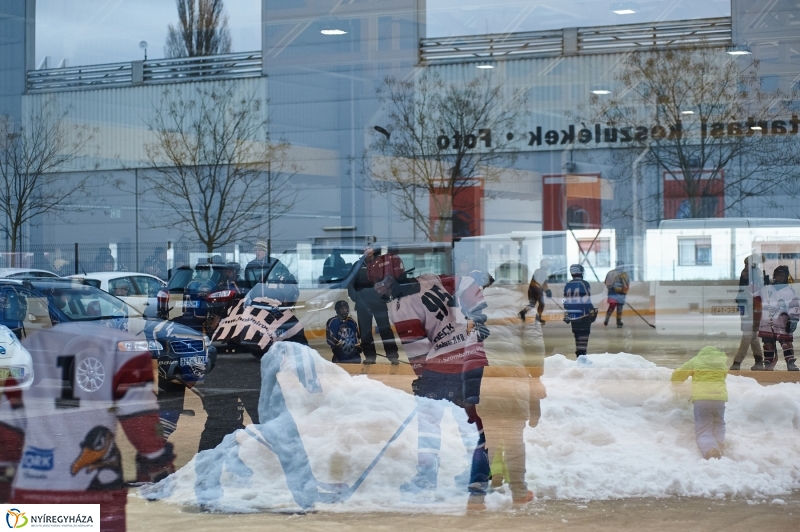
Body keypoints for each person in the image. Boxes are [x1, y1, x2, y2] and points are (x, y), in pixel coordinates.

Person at [0, 324, 175, 530]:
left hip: (33, 492)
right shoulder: (123, 351)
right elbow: (141, 422)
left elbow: (7, 436)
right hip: (95, 496)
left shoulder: (31, 349)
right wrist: (158, 464)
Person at [367, 252, 490, 504]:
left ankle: (426, 476)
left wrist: (422, 378)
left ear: (392, 278)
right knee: (467, 414)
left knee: (428, 419)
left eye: (380, 282)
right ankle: (478, 472)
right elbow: (467, 283)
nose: (377, 288)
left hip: (444, 362)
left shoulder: (399, 308)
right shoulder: (430, 279)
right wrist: (478, 316)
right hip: (473, 351)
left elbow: (418, 352)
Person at [479, 261, 546, 506]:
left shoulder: (478, 301)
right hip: (511, 376)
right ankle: (519, 491)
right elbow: (534, 345)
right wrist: (536, 375)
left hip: (482, 377)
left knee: (489, 434)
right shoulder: (523, 306)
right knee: (514, 436)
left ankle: (480, 490)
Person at [671, 346, 729, 459]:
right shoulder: (722, 362)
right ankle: (719, 445)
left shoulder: (696, 360)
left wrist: (674, 377)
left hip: (702, 399)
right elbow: (724, 375)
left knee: (703, 429)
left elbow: (680, 375)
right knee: (719, 423)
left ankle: (710, 450)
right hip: (719, 399)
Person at [347, 246, 400, 365]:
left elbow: (389, 280)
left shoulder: (381, 264)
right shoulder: (357, 265)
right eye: (366, 248)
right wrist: (356, 298)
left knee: (385, 329)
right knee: (365, 331)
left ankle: (393, 356)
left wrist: (385, 296)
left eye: (370, 248)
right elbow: (350, 284)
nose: (368, 250)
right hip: (362, 303)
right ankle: (370, 356)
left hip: (378, 302)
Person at [753, 265, 799, 371]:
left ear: (786, 277)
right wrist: (760, 284)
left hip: (782, 322)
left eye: (781, 275)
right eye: (777, 275)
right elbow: (755, 296)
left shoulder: (789, 291)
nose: (778, 277)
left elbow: (794, 305)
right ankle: (768, 362)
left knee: (786, 343)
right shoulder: (767, 288)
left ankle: (790, 362)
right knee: (768, 343)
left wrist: (794, 319)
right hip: (767, 322)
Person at [730, 255, 765, 371]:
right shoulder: (745, 274)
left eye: (747, 264)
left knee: (747, 335)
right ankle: (759, 360)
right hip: (746, 307)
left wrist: (757, 317)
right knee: (752, 336)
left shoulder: (756, 276)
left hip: (754, 307)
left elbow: (758, 297)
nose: (745, 267)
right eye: (745, 264)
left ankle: (737, 361)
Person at [564, 264, 595, 360]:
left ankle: (579, 356)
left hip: (573, 315)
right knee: (584, 336)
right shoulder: (584, 283)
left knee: (577, 336)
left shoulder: (568, 285)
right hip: (583, 314)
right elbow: (586, 299)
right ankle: (582, 358)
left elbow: (565, 302)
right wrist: (592, 310)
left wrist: (567, 313)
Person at [603, 260, 629, 328]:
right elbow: (607, 282)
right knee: (614, 307)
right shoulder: (613, 273)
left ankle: (616, 321)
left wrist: (623, 292)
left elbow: (626, 285)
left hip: (618, 294)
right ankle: (611, 321)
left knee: (616, 308)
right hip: (614, 293)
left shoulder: (623, 274)